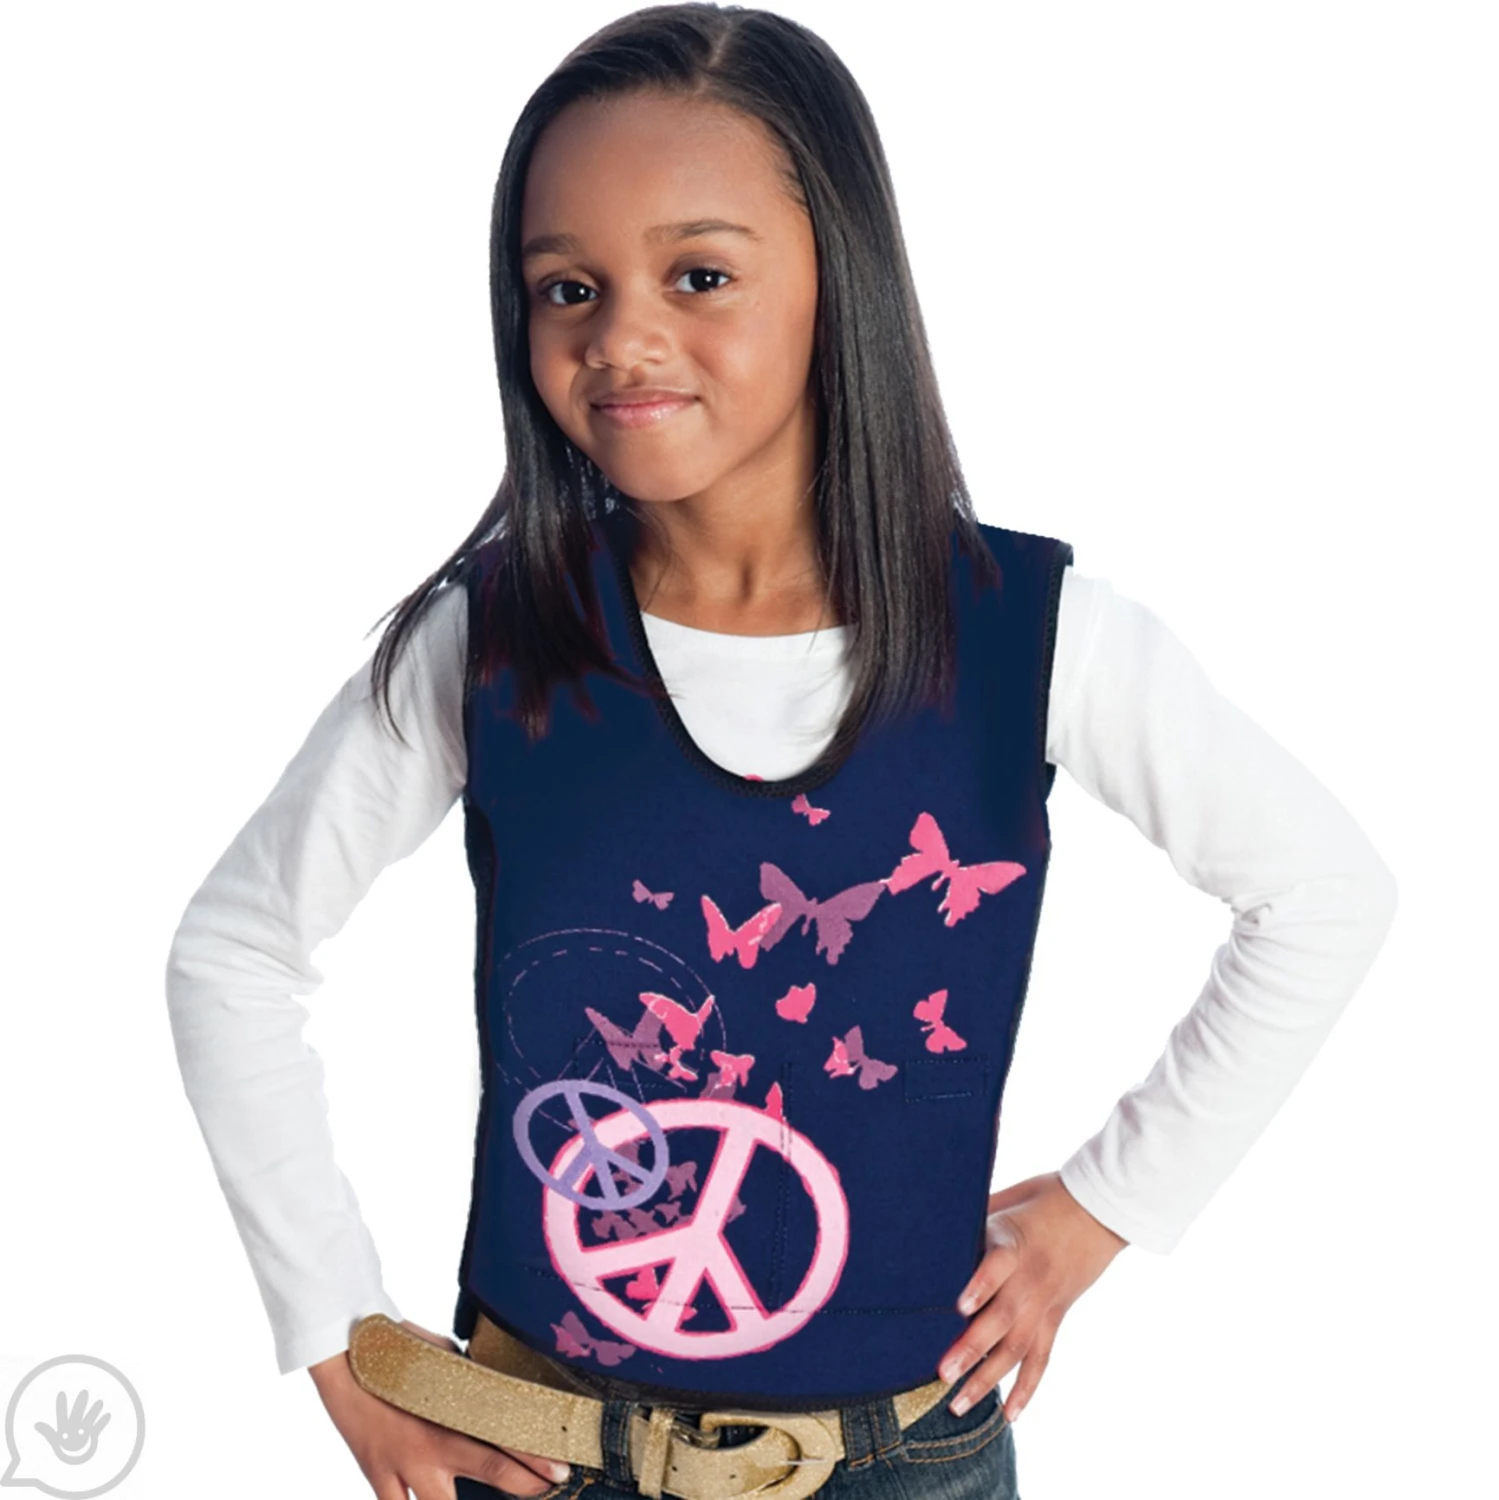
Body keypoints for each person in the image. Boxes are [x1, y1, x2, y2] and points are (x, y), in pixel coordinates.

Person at [163, 6, 1399, 1499]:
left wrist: (1104, 1210)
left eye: (699, 275)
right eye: (567, 288)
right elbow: (235, 950)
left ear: (840, 275)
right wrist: (338, 1341)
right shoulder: (492, 639)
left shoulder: (1037, 636)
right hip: (538, 1442)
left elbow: (1322, 894)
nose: (621, 338)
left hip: (908, 1455)